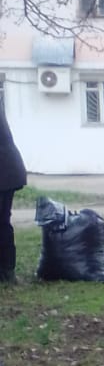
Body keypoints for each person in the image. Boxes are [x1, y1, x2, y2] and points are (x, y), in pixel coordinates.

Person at [0, 107, 27, 285]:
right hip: (9, 169)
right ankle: (7, 272)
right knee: (3, 222)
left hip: (4, 171)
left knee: (2, 222)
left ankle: (6, 272)